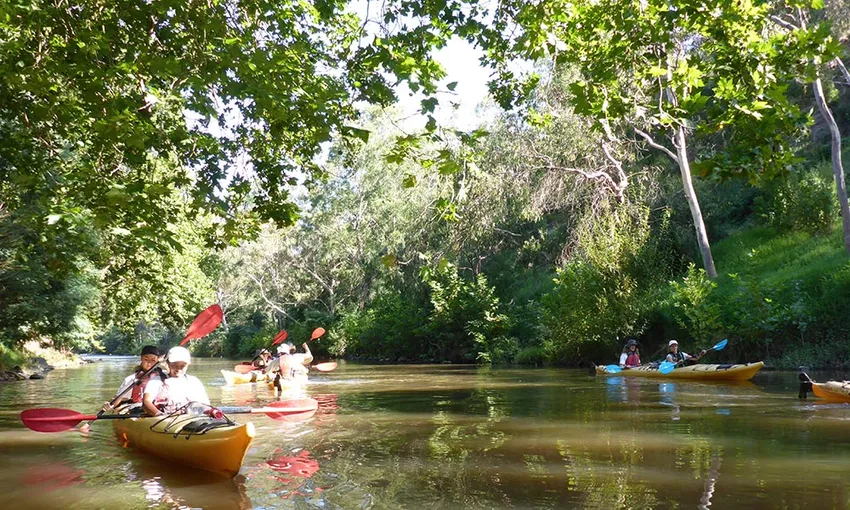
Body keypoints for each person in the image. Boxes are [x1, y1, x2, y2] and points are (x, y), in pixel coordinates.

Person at [143, 346, 210, 416]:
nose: (178, 369)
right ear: (168, 363)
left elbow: (206, 406)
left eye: (182, 366)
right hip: (166, 419)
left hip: (192, 418)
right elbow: (146, 402)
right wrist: (159, 415)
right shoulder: (156, 381)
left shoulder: (194, 381)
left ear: (188, 365)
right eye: (174, 365)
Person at [102, 345, 165, 413]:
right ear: (141, 358)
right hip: (138, 409)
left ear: (157, 360)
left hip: (160, 408)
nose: (149, 363)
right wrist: (110, 404)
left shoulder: (164, 376)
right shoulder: (131, 379)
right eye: (146, 359)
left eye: (153, 360)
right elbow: (119, 398)